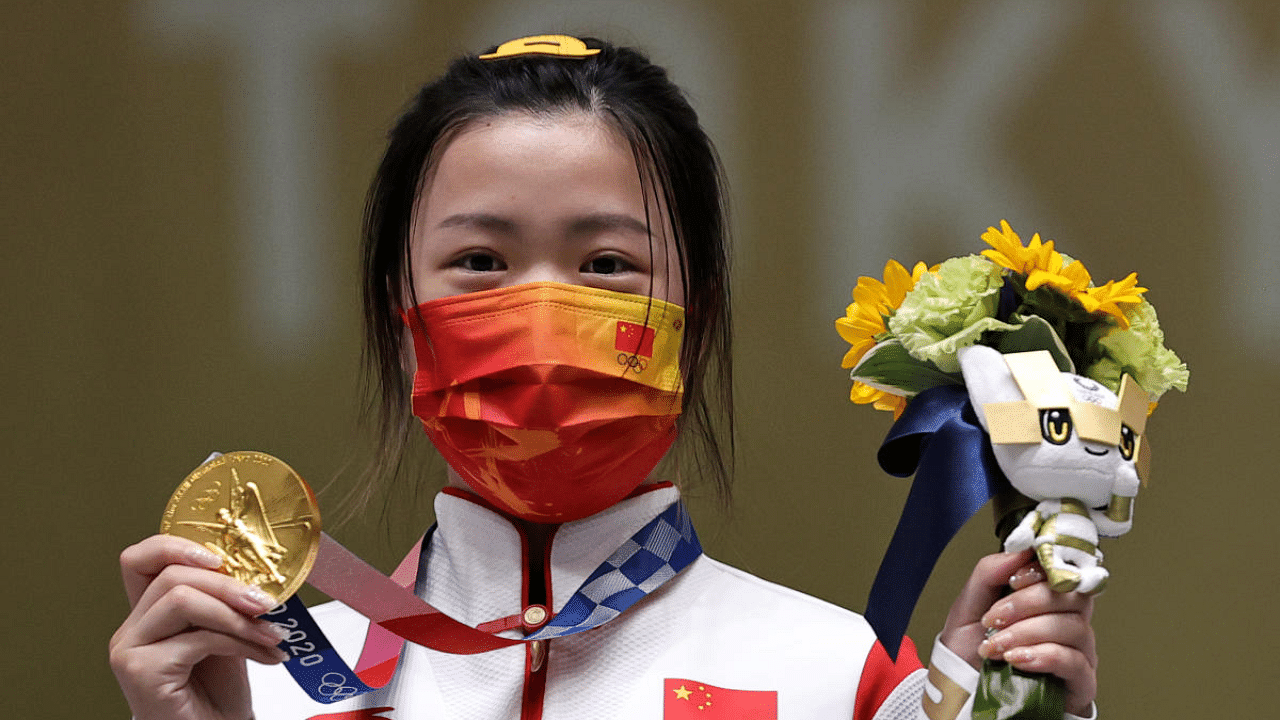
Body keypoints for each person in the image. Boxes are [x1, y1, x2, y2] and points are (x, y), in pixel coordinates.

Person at [110, 35, 1098, 720]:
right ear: (401, 321)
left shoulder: (843, 680)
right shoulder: (262, 685)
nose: (543, 317)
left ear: (692, 321)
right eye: (481, 265)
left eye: (606, 267)